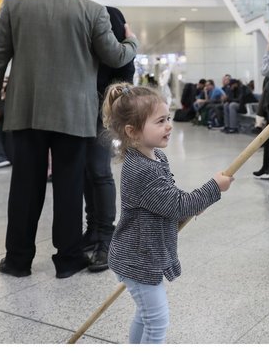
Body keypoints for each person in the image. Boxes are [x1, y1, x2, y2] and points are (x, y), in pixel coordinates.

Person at [0, 0, 139, 279]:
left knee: (24, 187)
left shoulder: (15, 3)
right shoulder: (92, 10)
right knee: (68, 187)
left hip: (25, 113)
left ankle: (17, 261)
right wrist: (132, 41)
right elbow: (115, 55)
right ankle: (67, 260)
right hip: (74, 115)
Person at [101, 84, 233, 343]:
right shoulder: (141, 170)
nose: (169, 125)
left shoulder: (156, 157)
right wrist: (213, 188)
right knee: (157, 321)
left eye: (168, 118)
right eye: (160, 121)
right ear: (133, 132)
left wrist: (193, 204)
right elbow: (178, 205)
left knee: (146, 315)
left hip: (143, 253)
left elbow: (170, 200)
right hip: (137, 259)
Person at [82, 5, 136, 272]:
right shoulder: (86, 32)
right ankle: (93, 230)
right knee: (86, 173)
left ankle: (107, 237)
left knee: (99, 171)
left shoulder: (113, 24)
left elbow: (126, 78)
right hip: (79, 111)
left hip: (102, 114)